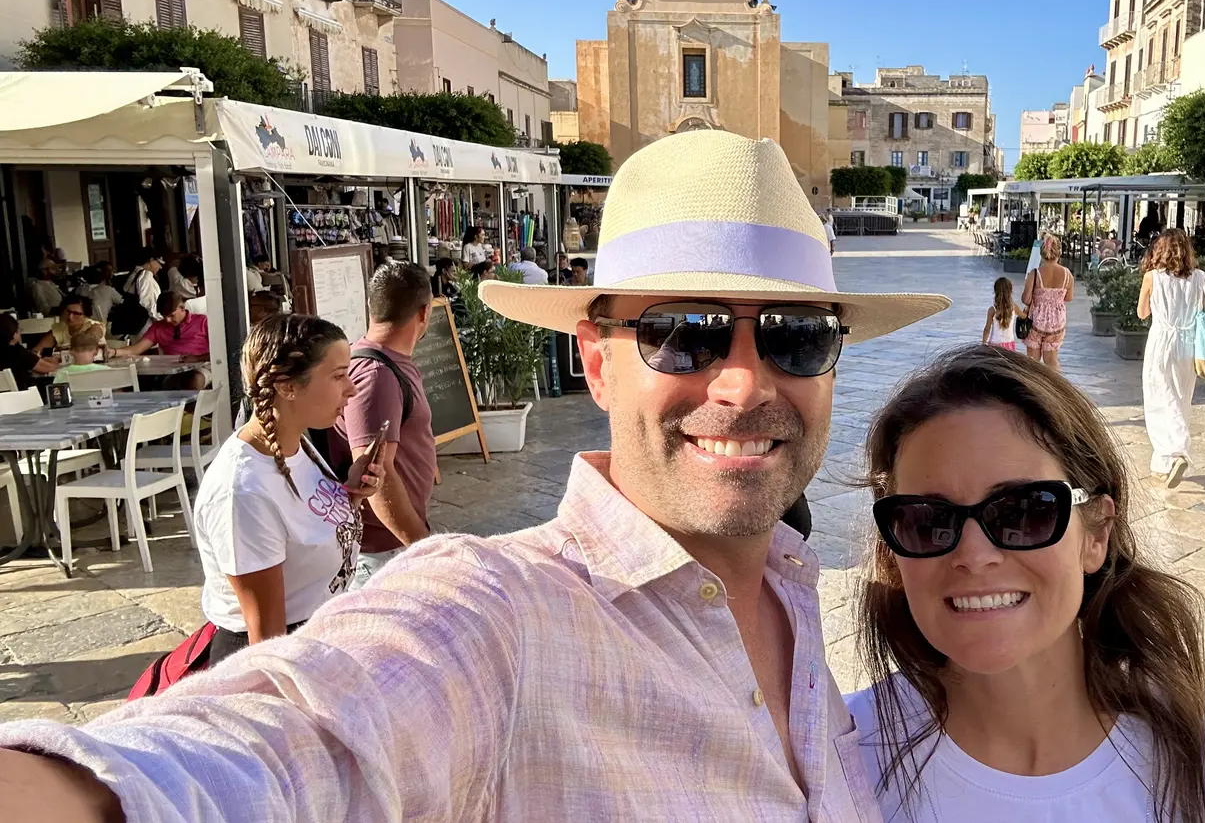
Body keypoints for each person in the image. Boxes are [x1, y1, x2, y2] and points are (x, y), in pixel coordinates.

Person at [0, 129, 950, 820]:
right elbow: (292, 739)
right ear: (597, 357)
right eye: (681, 332)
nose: (743, 383)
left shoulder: (797, 599)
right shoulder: (500, 615)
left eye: (795, 335)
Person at [849, 345, 1205, 822]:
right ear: (893, 552)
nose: (974, 556)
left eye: (1023, 512)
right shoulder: (837, 760)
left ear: (1096, 534)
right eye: (928, 520)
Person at [194, 314, 382, 666]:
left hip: (314, 640)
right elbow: (267, 642)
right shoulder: (244, 493)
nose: (352, 388)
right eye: (338, 376)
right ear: (288, 387)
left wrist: (350, 496)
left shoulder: (297, 443)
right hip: (282, 661)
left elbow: (303, 527)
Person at [330, 263, 436, 587]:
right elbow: (376, 473)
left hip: (390, 547)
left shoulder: (388, 363)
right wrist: (424, 547)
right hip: (379, 555)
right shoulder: (377, 375)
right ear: (424, 313)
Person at [1138, 228, 1205, 488]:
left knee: (1158, 399)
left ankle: (1176, 451)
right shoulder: (1199, 278)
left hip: (1161, 341)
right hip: (1187, 345)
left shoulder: (1152, 277)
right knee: (1180, 398)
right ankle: (1163, 462)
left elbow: (1142, 313)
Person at [1021, 235, 1073, 368]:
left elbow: (1026, 299)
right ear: (1059, 252)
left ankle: (1033, 386)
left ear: (1042, 254)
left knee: (1033, 361)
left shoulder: (1036, 273)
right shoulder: (1067, 274)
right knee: (1052, 360)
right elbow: (1068, 298)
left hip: (1036, 320)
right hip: (1057, 322)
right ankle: (1055, 387)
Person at [110, 292, 209, 360]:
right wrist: (114, 352)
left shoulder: (203, 321)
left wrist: (197, 358)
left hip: (201, 366)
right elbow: (137, 349)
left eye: (171, 315)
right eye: (164, 316)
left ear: (182, 308)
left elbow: (220, 350)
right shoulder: (158, 328)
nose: (167, 320)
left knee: (194, 380)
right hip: (172, 371)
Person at [0, 313, 57, 391]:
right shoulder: (17, 352)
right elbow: (47, 368)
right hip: (23, 396)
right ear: (14, 334)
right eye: (18, 330)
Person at [35, 296, 104, 355]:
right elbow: (37, 350)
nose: (70, 317)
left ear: (86, 315)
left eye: (76, 313)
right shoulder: (60, 328)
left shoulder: (94, 326)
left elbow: (84, 346)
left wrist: (57, 350)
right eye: (68, 312)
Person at [981, 276, 1024, 351]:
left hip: (994, 346)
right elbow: (1024, 316)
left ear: (995, 291)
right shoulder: (1014, 307)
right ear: (1010, 291)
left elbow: (987, 329)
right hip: (1009, 345)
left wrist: (983, 343)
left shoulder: (992, 310)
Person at [124, 250, 164, 319]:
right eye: (159, 263)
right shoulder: (146, 275)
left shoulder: (134, 273)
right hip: (145, 321)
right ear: (151, 260)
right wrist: (161, 319)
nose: (161, 267)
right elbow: (148, 304)